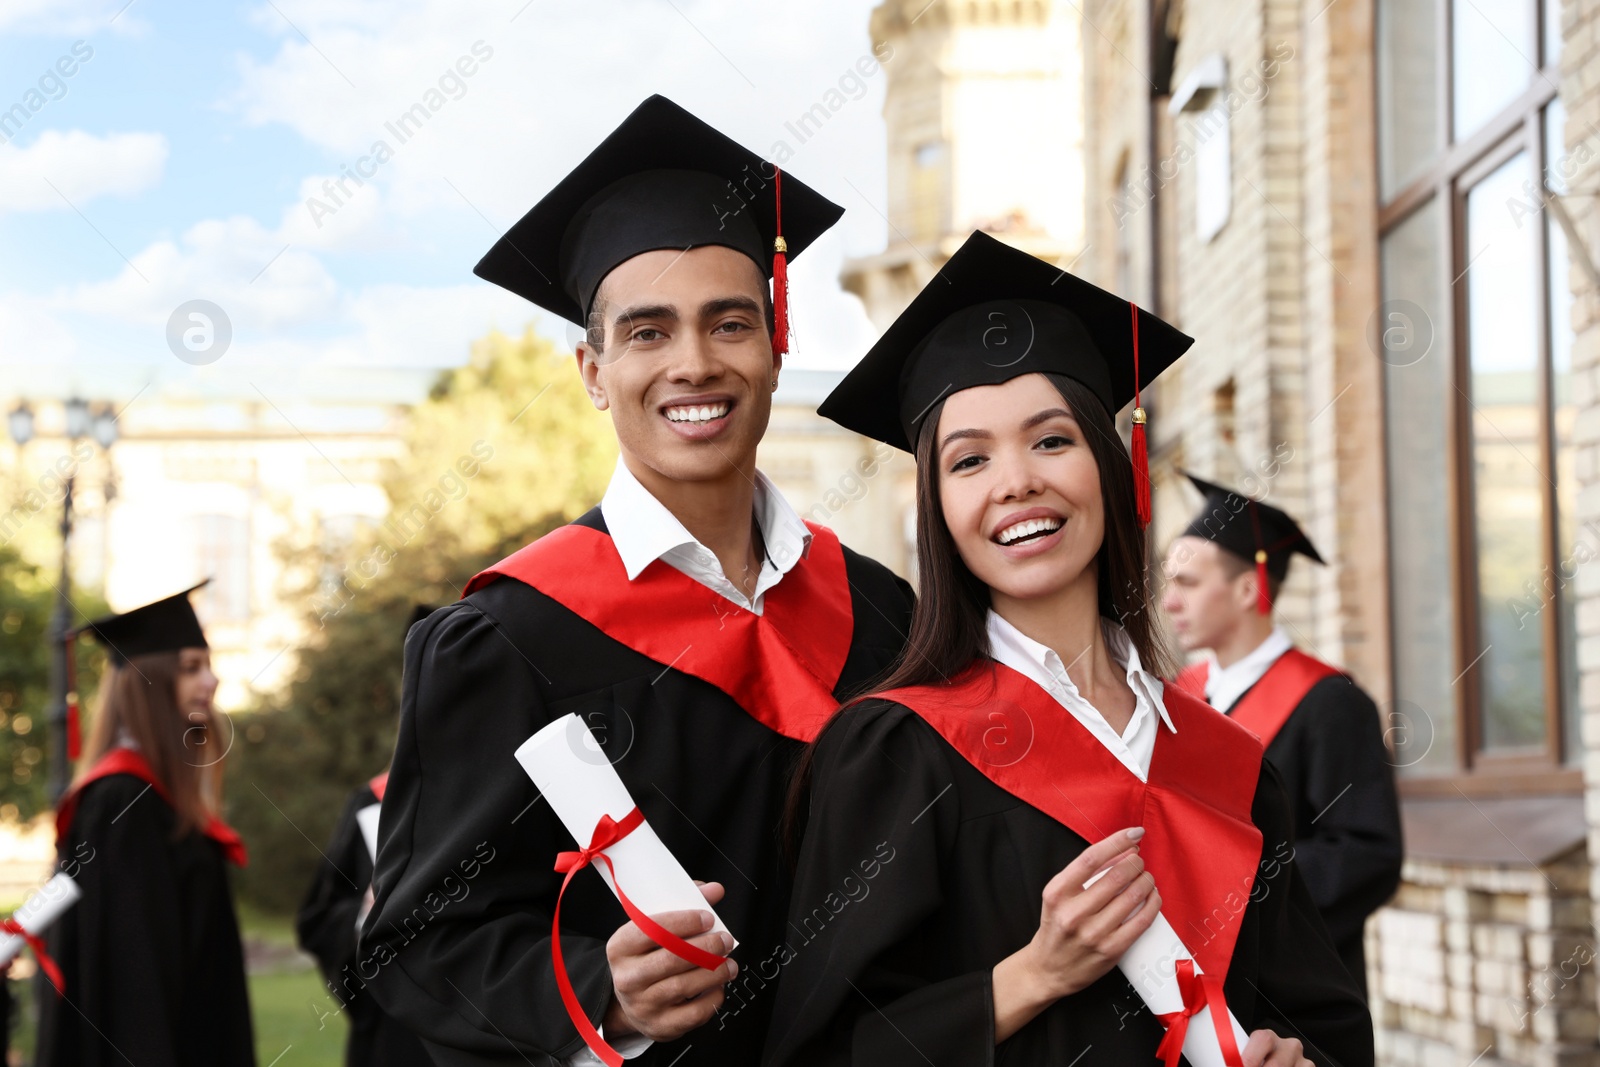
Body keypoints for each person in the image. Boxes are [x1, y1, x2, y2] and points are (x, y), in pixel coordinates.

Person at [362, 95, 914, 1067]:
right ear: (592, 367)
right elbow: (420, 943)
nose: (695, 363)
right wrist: (596, 988)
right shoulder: (508, 636)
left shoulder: (877, 610)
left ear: (776, 342)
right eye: (648, 332)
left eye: (729, 322)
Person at [764, 231, 1373, 1066]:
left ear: (1113, 467)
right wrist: (1031, 976)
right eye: (969, 458)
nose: (1017, 481)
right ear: (937, 507)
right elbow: (823, 1054)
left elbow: (1326, 1024)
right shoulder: (894, 754)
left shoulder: (1226, 761)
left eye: (1052, 440)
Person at [1163, 473, 1403, 999]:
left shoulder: (1331, 705)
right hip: (1187, 982)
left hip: (1298, 991)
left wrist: (1234, 886)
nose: (1168, 603)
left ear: (1249, 588)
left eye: (1188, 583)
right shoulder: (1180, 698)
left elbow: (1367, 854)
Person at [38, 581, 255, 1066]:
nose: (212, 681)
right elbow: (135, 987)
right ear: (149, 681)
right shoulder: (122, 802)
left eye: (209, 664)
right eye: (191, 667)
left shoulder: (155, 798)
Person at [295, 605, 436, 1067]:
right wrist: (364, 915)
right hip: (394, 1038)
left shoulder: (517, 803)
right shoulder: (373, 802)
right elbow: (318, 917)